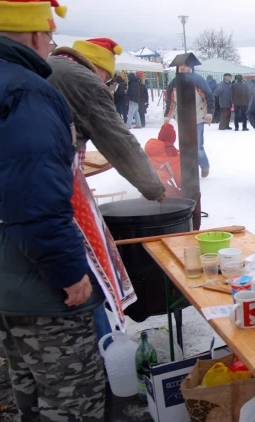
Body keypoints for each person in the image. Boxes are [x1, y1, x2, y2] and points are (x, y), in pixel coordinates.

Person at [0, 0, 136, 422]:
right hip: (32, 265)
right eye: (49, 36)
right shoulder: (25, 92)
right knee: (68, 379)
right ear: (31, 36)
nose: (52, 46)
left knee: (27, 374)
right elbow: (35, 197)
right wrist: (69, 271)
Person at [48, 37, 166, 344]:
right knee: (87, 270)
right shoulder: (84, 81)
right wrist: (154, 188)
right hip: (58, 191)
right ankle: (101, 349)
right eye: (109, 78)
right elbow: (119, 141)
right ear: (99, 68)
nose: (109, 83)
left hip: (26, 193)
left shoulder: (49, 66)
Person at [164, 63, 215, 179]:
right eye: (180, 66)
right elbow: (171, 101)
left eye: (185, 65)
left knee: (197, 145)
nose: (182, 68)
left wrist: (209, 113)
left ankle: (204, 164)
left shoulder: (198, 80)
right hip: (182, 119)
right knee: (184, 146)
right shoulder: (174, 82)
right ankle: (188, 170)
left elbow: (209, 97)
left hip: (197, 117)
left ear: (190, 67)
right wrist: (167, 116)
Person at [145, 123, 182, 197]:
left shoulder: (151, 149)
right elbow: (179, 180)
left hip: (144, 186)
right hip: (160, 188)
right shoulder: (171, 155)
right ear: (173, 138)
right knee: (180, 197)